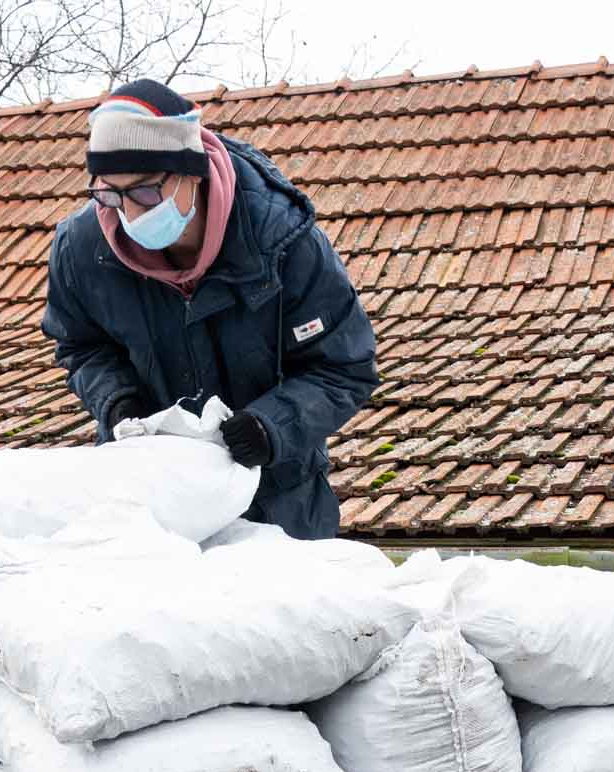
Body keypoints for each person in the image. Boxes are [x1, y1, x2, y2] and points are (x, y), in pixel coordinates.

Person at [42, 78, 377, 539]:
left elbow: (344, 367)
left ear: (189, 174)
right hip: (151, 504)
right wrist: (117, 402)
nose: (129, 214)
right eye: (110, 194)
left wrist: (271, 426)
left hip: (279, 503)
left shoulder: (282, 242)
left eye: (144, 192)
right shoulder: (82, 250)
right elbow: (80, 345)